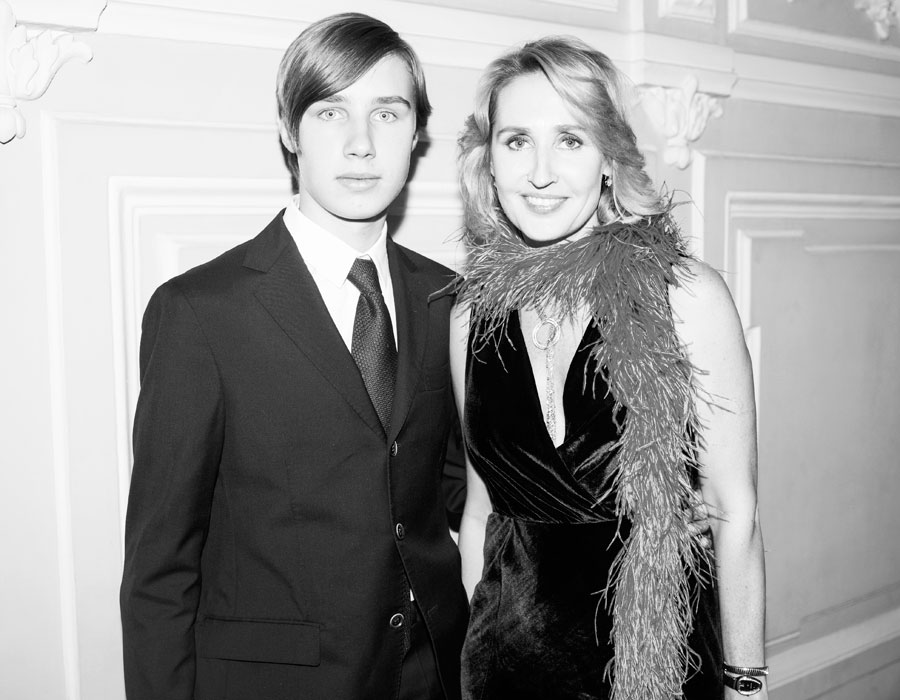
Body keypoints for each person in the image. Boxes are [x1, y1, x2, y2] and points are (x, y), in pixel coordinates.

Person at [120, 13, 468, 700]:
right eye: (331, 112)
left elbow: (465, 488)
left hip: (432, 676)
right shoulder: (201, 312)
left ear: (416, 135)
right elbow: (160, 568)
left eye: (387, 114)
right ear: (289, 130)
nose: (361, 144)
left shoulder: (447, 299)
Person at [450, 36, 767, 700]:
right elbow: (482, 511)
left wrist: (745, 682)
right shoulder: (468, 318)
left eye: (570, 140)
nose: (540, 173)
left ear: (607, 158)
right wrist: (474, 656)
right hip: (506, 673)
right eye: (517, 141)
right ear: (490, 162)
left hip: (660, 668)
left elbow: (733, 511)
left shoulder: (683, 296)